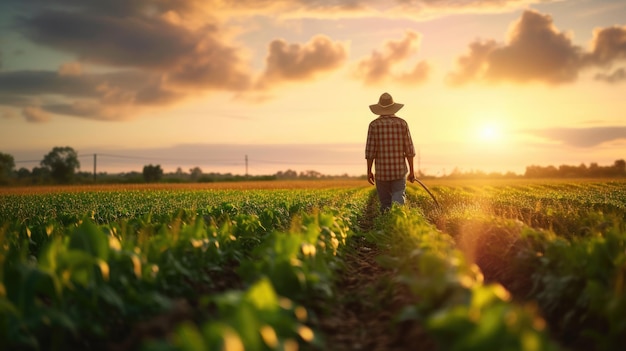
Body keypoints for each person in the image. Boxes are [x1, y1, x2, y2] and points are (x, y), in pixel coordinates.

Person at [365, 92, 416, 212]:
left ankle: (386, 226)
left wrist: (369, 171)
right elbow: (409, 150)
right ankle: (397, 225)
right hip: (399, 171)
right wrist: (412, 171)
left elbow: (370, 151)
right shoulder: (402, 123)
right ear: (393, 107)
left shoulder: (374, 125)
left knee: (385, 204)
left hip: (381, 173)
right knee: (399, 201)